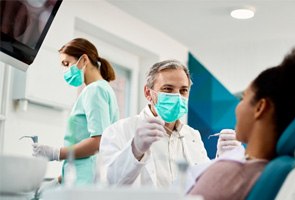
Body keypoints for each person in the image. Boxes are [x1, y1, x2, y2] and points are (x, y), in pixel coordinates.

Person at [187, 48, 295, 200]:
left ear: (260, 108)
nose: (237, 107)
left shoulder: (229, 174)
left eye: (243, 98)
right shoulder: (271, 172)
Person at [100, 60, 238, 188]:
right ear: (148, 93)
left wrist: (222, 160)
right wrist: (135, 150)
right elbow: (110, 184)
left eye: (183, 90)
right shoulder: (120, 130)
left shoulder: (192, 135)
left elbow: (203, 185)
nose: (177, 96)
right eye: (168, 89)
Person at [32, 38, 119, 186]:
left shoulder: (95, 90)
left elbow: (98, 142)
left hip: (86, 183)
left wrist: (56, 153)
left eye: (67, 64)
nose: (66, 71)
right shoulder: (103, 89)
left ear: (84, 59)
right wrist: (58, 181)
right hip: (83, 178)